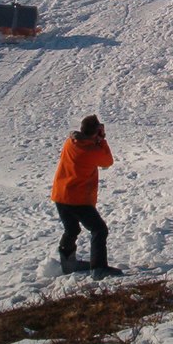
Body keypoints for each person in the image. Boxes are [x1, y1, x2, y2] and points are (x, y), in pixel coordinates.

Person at [51, 114, 123, 280]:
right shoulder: (90, 150)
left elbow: (86, 142)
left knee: (71, 229)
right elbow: (107, 161)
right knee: (99, 230)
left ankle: (68, 263)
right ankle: (98, 268)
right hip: (78, 199)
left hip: (60, 194)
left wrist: (95, 137)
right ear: (96, 131)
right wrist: (102, 139)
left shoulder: (71, 142)